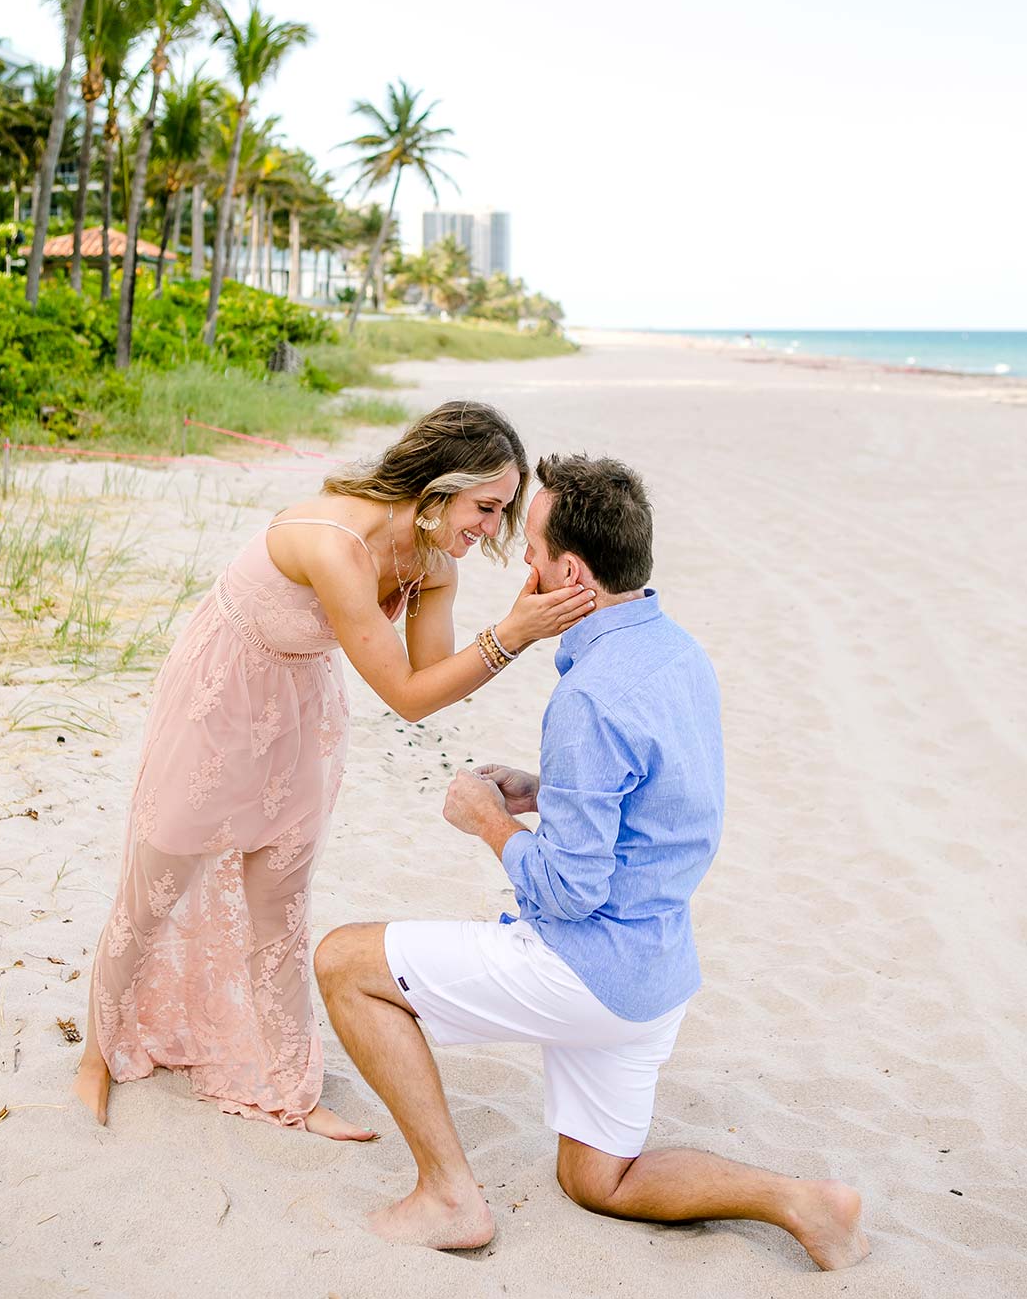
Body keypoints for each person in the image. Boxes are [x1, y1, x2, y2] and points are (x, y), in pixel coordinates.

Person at [314, 454, 870, 1269]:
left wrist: (488, 823)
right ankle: (807, 1202)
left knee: (341, 961)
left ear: (572, 572)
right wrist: (549, 790)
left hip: (584, 969)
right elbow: (667, 800)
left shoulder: (586, 697)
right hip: (657, 973)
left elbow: (570, 892)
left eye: (533, 552)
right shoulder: (679, 652)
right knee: (597, 1178)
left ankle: (447, 1193)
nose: (524, 566)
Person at [73, 403, 595, 1138]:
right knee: (156, 881)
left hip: (301, 704)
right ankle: (96, 1057)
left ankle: (287, 1085)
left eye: (503, 511)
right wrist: (511, 635)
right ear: (439, 486)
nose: (489, 528)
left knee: (279, 899)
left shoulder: (433, 560)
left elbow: (431, 680)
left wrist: (511, 629)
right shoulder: (334, 545)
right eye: (485, 507)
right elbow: (407, 696)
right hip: (221, 695)